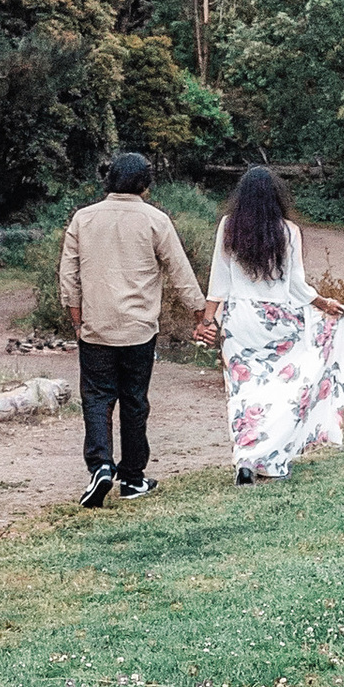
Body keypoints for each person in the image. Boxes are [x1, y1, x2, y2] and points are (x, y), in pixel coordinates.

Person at [57, 151, 199, 508]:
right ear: (145, 185)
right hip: (138, 329)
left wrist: (77, 321)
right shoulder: (156, 220)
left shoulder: (83, 219)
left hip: (96, 327)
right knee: (135, 401)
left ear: (109, 180)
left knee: (97, 397)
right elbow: (180, 272)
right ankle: (132, 478)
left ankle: (101, 465)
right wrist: (201, 313)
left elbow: (68, 277)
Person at [199, 162, 344, 482]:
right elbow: (296, 286)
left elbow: (219, 281)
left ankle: (245, 459)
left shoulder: (228, 227)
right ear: (275, 197)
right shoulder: (288, 231)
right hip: (281, 320)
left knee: (243, 392)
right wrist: (324, 304)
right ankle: (271, 461)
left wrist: (208, 319)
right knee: (287, 390)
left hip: (240, 320)